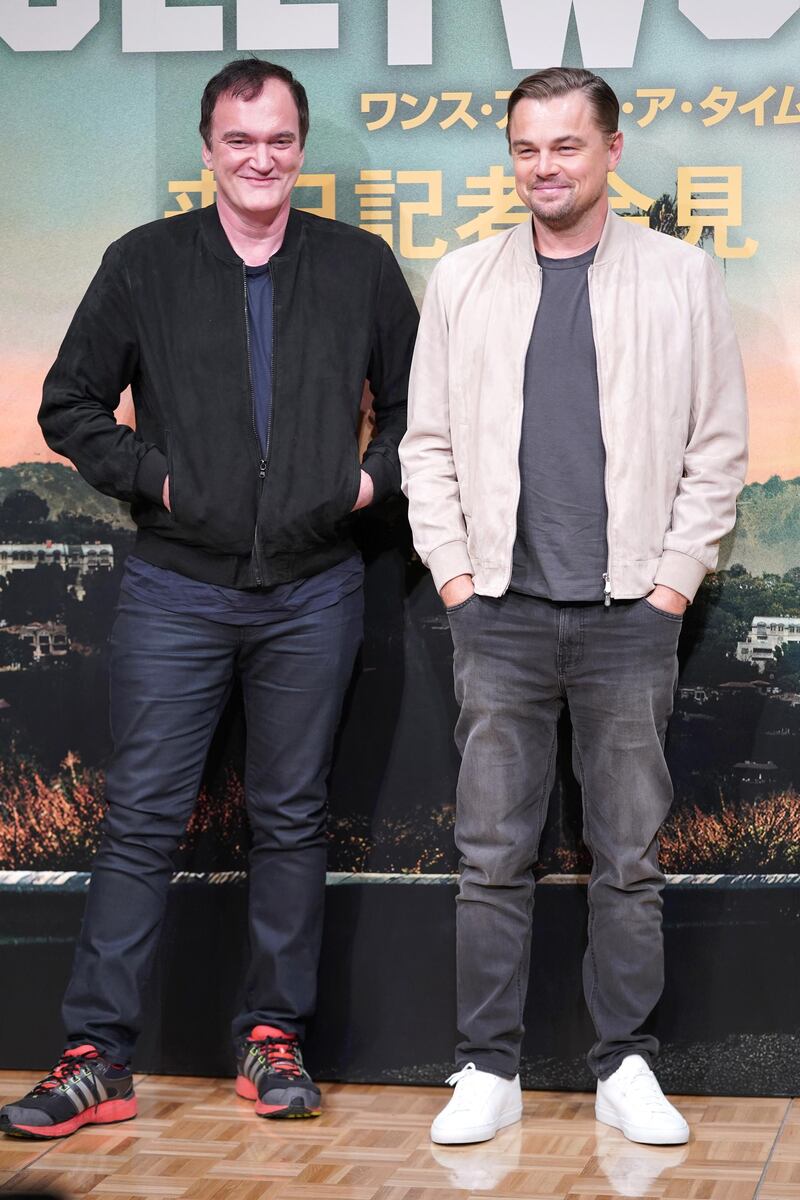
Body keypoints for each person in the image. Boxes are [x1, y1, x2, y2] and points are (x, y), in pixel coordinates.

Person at [0, 57, 417, 1140]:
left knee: (289, 820)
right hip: (175, 588)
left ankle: (271, 1037)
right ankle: (98, 1057)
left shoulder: (360, 266)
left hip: (315, 587)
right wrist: (162, 481)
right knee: (139, 820)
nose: (261, 158)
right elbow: (70, 404)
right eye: (239, 141)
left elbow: (424, 412)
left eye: (278, 139)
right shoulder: (143, 264)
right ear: (207, 151)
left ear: (300, 145)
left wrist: (367, 484)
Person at [400, 66, 747, 1147]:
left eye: (563, 146)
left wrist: (668, 585)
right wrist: (456, 578)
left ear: (609, 151)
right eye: (523, 148)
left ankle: (624, 1066)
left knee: (627, 856)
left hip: (627, 620)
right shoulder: (461, 279)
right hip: (496, 612)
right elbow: (426, 448)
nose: (541, 167)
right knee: (489, 853)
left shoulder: (680, 277)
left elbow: (717, 446)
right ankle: (485, 1068)